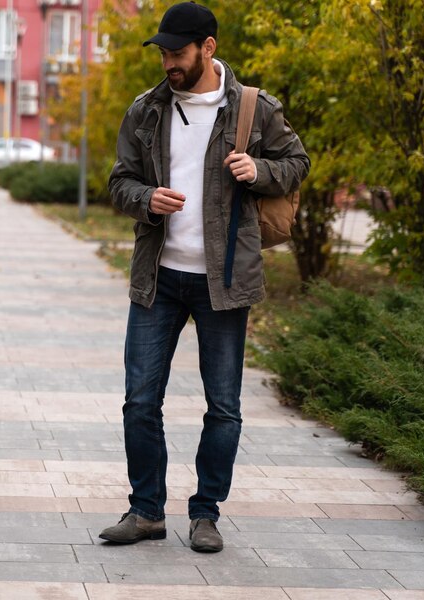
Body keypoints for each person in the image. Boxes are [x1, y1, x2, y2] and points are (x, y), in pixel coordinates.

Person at [99, 2, 310, 552]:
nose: (168, 61)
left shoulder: (253, 109)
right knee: (140, 402)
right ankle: (146, 511)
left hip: (224, 279)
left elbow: (297, 163)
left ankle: (206, 514)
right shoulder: (146, 110)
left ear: (207, 48)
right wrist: (147, 199)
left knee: (224, 407)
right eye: (164, 52)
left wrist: (259, 170)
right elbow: (119, 182)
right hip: (159, 278)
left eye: (178, 52)